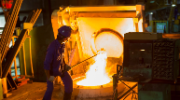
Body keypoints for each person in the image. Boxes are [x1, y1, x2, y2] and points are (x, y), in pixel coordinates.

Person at [43, 25, 73, 100]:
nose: (68, 39)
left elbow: (61, 57)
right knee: (50, 89)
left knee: (69, 82)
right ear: (64, 38)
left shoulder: (62, 44)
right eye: (67, 38)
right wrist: (49, 76)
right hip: (51, 71)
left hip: (60, 69)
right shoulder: (52, 48)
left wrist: (65, 65)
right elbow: (46, 64)